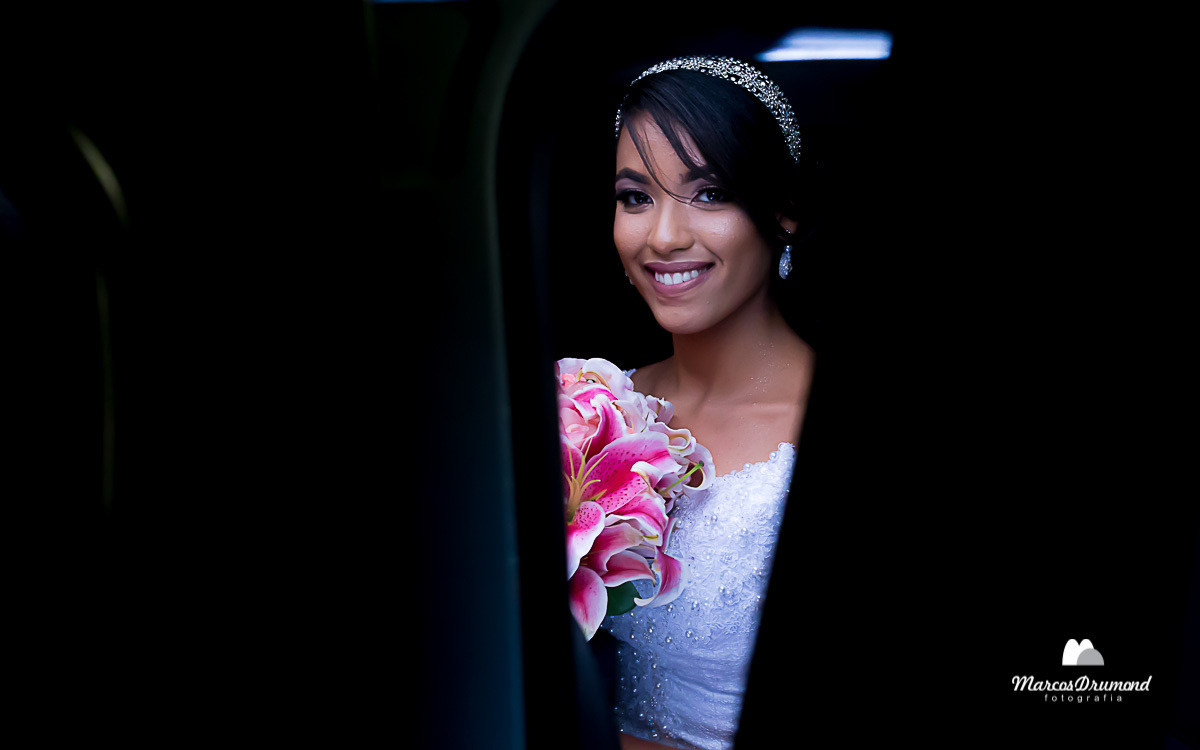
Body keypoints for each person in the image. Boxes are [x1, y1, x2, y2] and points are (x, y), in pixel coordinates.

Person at [597, 56, 816, 750]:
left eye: (709, 192)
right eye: (636, 197)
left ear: (783, 211)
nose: (663, 237)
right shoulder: (594, 409)